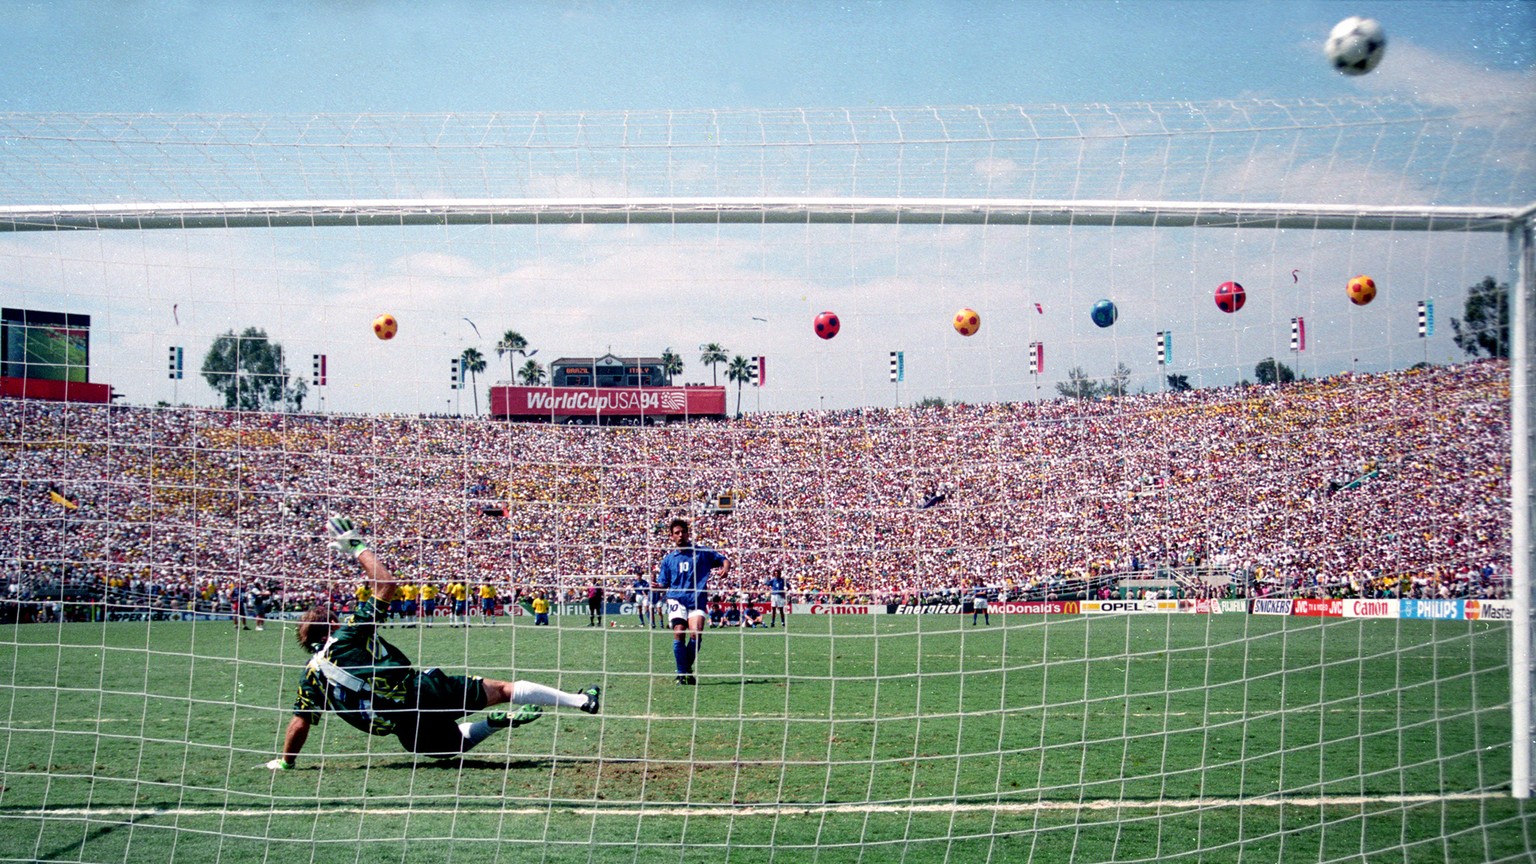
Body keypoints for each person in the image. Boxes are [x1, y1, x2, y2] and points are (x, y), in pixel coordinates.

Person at [262, 515, 599, 770]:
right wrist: (356, 547)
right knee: (502, 691)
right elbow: (386, 584)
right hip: (419, 691)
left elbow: (299, 722)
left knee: (455, 745)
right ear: (331, 624)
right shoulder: (348, 633)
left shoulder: (311, 675)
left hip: (401, 727)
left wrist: (287, 761)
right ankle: (581, 700)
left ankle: (495, 726)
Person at [655, 517, 730, 685]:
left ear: (688, 533)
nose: (680, 535)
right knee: (679, 631)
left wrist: (725, 568)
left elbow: (724, 559)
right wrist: (657, 586)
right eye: (677, 533)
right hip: (676, 599)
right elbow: (664, 583)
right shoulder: (668, 560)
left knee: (696, 632)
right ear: (671, 536)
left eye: (683, 532)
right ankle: (683, 674)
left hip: (697, 599)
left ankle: (685, 669)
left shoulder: (701, 553)